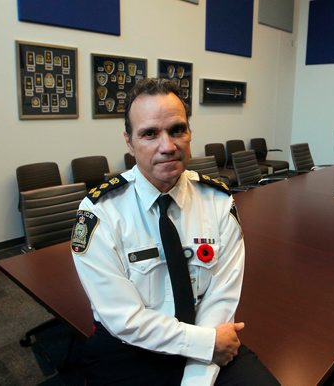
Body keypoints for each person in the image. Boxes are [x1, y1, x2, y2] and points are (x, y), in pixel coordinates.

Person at [71, 78, 280, 386]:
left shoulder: (218, 202)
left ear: (189, 133)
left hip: (206, 333)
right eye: (150, 134)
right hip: (131, 348)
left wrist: (200, 370)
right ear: (128, 141)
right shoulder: (100, 213)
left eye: (177, 130)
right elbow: (125, 319)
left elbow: (222, 297)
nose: (167, 146)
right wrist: (204, 345)